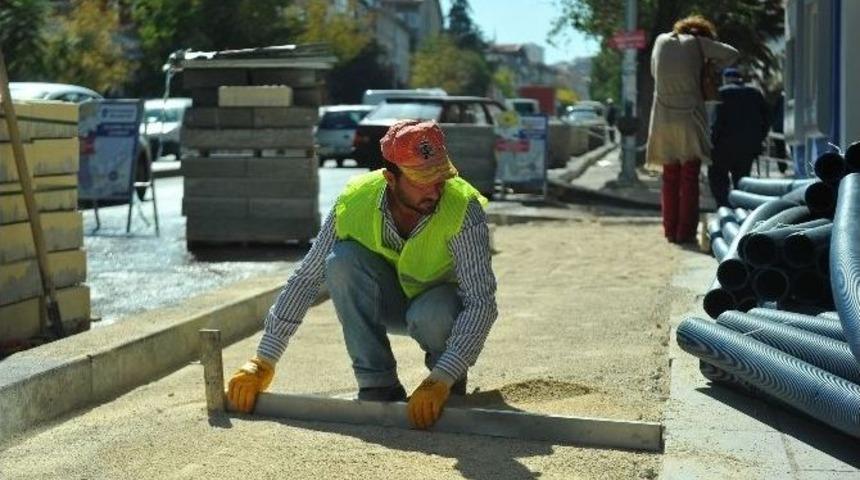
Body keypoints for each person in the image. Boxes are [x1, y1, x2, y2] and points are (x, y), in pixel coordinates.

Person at [226, 120, 498, 430]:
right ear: (390, 178)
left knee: (434, 312)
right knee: (341, 262)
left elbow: (481, 303)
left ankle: (446, 386)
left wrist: (443, 377)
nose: (436, 189)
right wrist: (263, 360)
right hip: (389, 303)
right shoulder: (355, 201)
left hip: (439, 313)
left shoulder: (463, 208)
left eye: (440, 176)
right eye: (422, 179)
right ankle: (378, 385)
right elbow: (307, 278)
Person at [646, 15, 739, 243]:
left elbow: (653, 71)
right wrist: (709, 64)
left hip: (662, 118)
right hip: (689, 117)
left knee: (669, 177)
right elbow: (732, 53)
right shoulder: (699, 43)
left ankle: (670, 230)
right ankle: (685, 232)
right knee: (689, 177)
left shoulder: (660, 41)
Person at [708, 68, 771, 207]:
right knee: (742, 179)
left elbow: (716, 122)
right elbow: (766, 119)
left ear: (725, 79)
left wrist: (712, 142)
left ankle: (724, 207)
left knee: (717, 178)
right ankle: (740, 207)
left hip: (722, 147)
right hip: (748, 147)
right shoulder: (755, 94)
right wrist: (759, 138)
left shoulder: (721, 94)